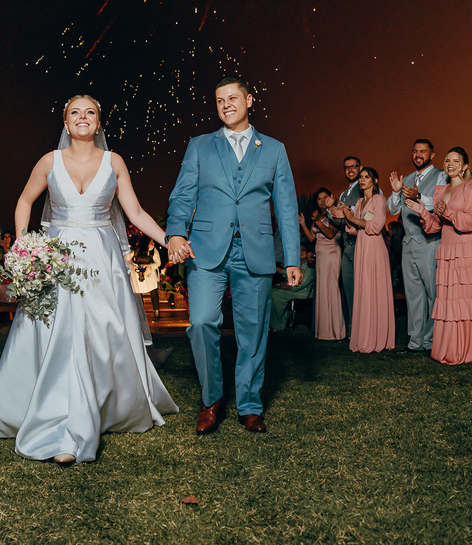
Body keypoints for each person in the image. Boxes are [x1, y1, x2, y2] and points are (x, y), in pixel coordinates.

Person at [0, 95, 177, 464]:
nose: (82, 117)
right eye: (75, 113)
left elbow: (134, 212)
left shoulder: (114, 162)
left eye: (90, 113)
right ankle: (60, 420)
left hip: (102, 258)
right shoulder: (49, 161)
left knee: (100, 331)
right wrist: (23, 246)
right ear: (66, 123)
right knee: (58, 332)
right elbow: (24, 202)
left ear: (99, 123)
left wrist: (169, 240)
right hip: (57, 255)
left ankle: (102, 408)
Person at [167, 77, 301, 435]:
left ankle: (250, 405)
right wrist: (176, 231)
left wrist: (292, 258)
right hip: (206, 250)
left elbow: (286, 207)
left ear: (249, 100)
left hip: (255, 251)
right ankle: (211, 399)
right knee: (201, 322)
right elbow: (183, 194)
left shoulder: (274, 149)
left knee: (253, 332)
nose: (226, 104)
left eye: (232, 97)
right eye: (219, 99)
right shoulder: (200, 145)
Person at [412, 148, 472, 365]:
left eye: (456, 161)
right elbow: (436, 225)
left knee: (468, 300)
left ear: (464, 166)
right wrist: (422, 211)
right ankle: (451, 347)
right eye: (448, 160)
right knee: (451, 301)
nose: (450, 164)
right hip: (448, 251)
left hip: (467, 250)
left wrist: (448, 212)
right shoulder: (440, 190)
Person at [387, 139, 445, 354]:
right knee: (413, 295)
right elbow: (393, 210)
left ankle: (432, 340)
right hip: (408, 243)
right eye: (415, 151)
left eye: (423, 151)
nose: (418, 154)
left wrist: (419, 196)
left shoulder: (441, 176)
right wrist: (396, 192)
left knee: (433, 293)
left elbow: (440, 204)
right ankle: (415, 342)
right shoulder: (407, 179)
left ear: (432, 155)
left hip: (430, 242)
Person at [345, 168, 394, 353]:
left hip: (374, 247)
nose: (362, 180)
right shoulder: (359, 202)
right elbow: (354, 229)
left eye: (367, 177)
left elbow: (376, 226)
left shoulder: (379, 199)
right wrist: (346, 217)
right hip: (361, 246)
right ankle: (364, 335)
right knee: (363, 289)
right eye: (361, 177)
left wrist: (353, 219)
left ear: (375, 180)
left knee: (374, 288)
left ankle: (378, 337)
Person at [332, 156, 363, 331]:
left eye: (354, 166)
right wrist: (331, 211)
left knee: (362, 290)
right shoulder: (344, 194)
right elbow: (340, 223)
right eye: (346, 167)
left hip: (361, 244)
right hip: (347, 246)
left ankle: (364, 329)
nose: (350, 170)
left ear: (360, 167)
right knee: (349, 289)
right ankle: (352, 330)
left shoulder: (366, 188)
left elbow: (370, 215)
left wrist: (346, 213)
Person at [311, 189, 344, 341]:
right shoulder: (318, 216)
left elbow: (331, 234)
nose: (322, 201)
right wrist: (304, 223)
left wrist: (317, 221)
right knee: (322, 290)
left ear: (331, 197)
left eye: (325, 197)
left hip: (332, 253)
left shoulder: (335, 212)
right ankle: (324, 331)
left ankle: (337, 331)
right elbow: (312, 237)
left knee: (332, 288)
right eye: (319, 198)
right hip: (320, 255)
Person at [126, 234, 164, 319]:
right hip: (138, 274)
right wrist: (133, 266)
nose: (153, 243)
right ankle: (141, 313)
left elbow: (158, 263)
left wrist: (149, 266)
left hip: (149, 274)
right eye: (151, 241)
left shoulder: (153, 251)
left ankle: (156, 312)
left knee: (153, 292)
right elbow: (126, 259)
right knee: (139, 294)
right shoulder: (136, 250)